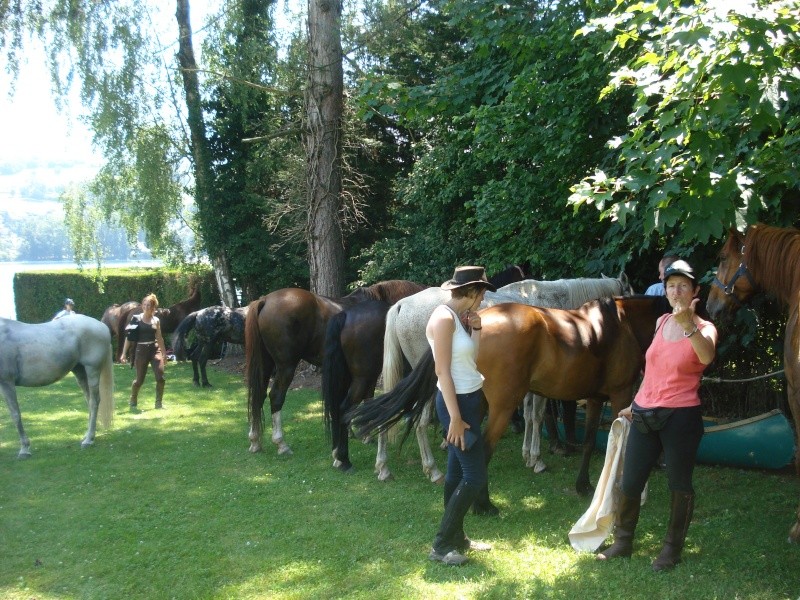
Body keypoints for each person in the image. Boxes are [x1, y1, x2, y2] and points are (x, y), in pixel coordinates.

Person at [596, 260, 717, 571]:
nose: (675, 291)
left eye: (682, 286)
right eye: (670, 286)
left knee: (679, 484)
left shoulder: (705, 328)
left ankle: (671, 550)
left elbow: (706, 357)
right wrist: (634, 404)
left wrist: (689, 324)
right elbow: (652, 371)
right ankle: (623, 542)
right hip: (645, 413)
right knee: (630, 482)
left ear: (695, 291)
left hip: (681, 417)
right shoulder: (662, 321)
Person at [426, 266, 496, 566]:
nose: (483, 299)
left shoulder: (460, 319)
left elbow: (470, 360)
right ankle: (441, 546)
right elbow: (442, 371)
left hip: (469, 400)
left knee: (456, 474)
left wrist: (477, 329)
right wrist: (454, 418)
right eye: (482, 294)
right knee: (475, 475)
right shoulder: (443, 319)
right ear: (472, 292)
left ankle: (458, 538)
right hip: (456, 405)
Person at [121, 293, 167, 410]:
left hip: (154, 350)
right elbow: (129, 337)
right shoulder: (136, 319)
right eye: (145, 304)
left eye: (149, 305)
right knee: (139, 380)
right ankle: (133, 398)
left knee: (160, 377)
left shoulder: (156, 320)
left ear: (153, 307)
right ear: (142, 306)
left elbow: (160, 338)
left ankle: (158, 403)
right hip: (141, 351)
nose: (146, 307)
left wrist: (164, 353)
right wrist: (124, 353)